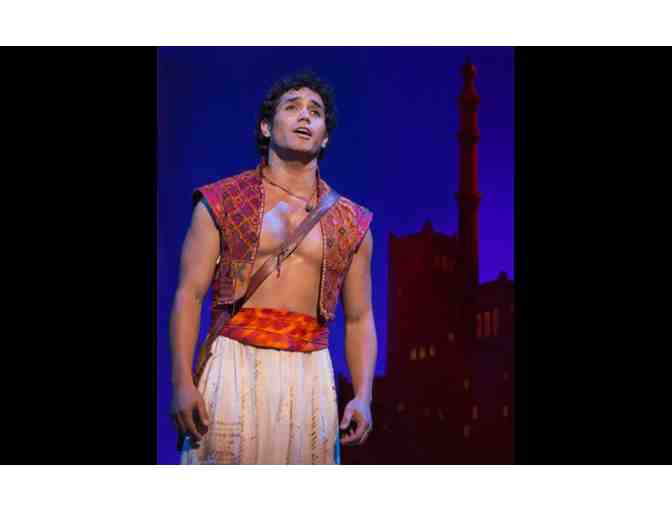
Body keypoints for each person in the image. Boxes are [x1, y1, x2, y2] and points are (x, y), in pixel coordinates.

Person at [169, 72, 377, 464]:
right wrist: (181, 381)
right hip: (232, 362)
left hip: (310, 371)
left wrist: (363, 396)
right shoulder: (221, 202)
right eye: (292, 107)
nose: (305, 116)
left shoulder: (352, 222)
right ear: (266, 127)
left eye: (315, 111)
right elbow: (189, 295)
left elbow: (359, 318)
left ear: (325, 137)